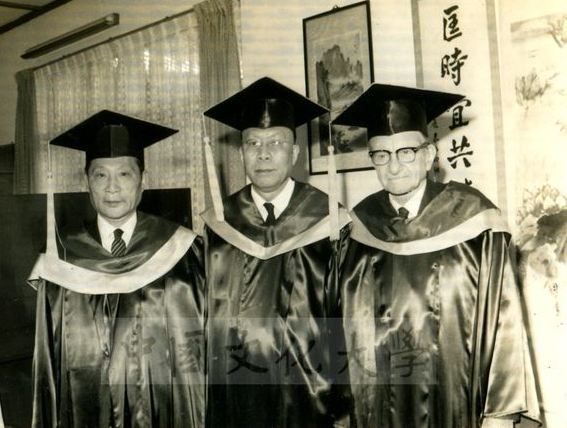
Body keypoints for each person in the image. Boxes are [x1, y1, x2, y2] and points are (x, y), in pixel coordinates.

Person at [333, 84, 540, 428]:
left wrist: (500, 413)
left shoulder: (475, 219)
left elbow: (504, 320)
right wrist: (342, 409)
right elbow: (342, 323)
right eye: (381, 154)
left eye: (406, 152)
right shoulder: (358, 227)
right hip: (378, 405)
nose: (393, 166)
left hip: (455, 398)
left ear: (429, 155)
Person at [28, 110, 205, 428]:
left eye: (124, 174)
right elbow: (47, 358)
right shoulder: (60, 256)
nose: (112, 188)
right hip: (86, 408)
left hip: (162, 409)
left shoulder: (182, 249)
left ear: (143, 181)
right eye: (100, 176)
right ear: (87, 182)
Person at [201, 77, 352, 428]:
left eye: (276, 143)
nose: (264, 154)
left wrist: (344, 405)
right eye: (253, 143)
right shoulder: (219, 224)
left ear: (294, 154)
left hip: (310, 395)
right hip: (235, 394)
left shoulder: (329, 221)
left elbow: (346, 317)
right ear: (241, 153)